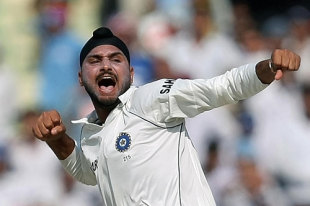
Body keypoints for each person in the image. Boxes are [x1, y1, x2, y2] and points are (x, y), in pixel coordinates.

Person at [32, 27, 301, 206]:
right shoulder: (91, 131)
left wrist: (268, 67)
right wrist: (57, 140)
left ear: (132, 73)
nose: (105, 65)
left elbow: (221, 88)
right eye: (94, 60)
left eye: (116, 59)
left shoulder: (151, 98)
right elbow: (90, 174)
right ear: (81, 78)